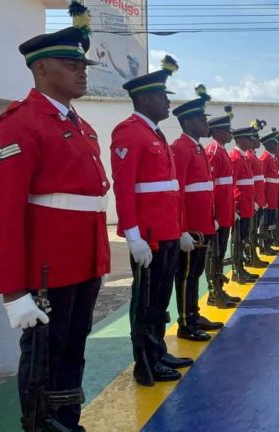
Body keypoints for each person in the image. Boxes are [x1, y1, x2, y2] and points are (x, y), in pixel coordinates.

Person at [0, 5, 109, 428]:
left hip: (84, 262)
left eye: (83, 65)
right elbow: (4, 213)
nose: (82, 72)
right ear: (41, 68)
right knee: (44, 354)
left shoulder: (81, 126)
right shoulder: (20, 124)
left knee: (73, 350)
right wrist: (12, 292)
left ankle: (66, 421)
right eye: (71, 64)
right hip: (47, 270)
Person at [112, 54, 194, 385]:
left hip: (168, 232)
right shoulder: (130, 133)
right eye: (162, 97)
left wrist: (181, 229)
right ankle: (144, 361)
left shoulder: (155, 134)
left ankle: (158, 350)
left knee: (159, 298)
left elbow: (171, 191)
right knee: (145, 301)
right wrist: (132, 235)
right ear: (144, 98)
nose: (167, 103)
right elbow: (124, 187)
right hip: (149, 235)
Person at [169, 84, 225, 342]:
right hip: (191, 226)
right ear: (189, 121)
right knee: (186, 274)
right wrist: (180, 228)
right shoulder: (180, 148)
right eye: (202, 119)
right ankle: (184, 321)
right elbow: (177, 190)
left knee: (197, 273)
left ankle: (194, 313)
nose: (206, 123)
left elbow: (205, 188)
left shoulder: (198, 148)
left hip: (203, 224)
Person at [205, 106, 243, 306]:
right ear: (218, 132)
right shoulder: (212, 151)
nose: (230, 134)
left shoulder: (222, 151)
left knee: (220, 253)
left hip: (226, 210)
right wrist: (214, 215)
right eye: (227, 130)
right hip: (218, 213)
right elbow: (210, 187)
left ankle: (219, 288)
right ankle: (214, 292)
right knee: (214, 252)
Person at [229, 126, 259, 283]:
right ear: (240, 140)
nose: (251, 141)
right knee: (238, 239)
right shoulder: (234, 157)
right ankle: (237, 270)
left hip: (247, 205)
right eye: (248, 138)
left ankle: (241, 268)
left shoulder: (244, 157)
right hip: (240, 206)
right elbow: (232, 184)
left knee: (244, 238)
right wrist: (234, 206)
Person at [245, 120, 269, 268]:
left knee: (253, 230)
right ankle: (251, 257)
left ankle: (253, 256)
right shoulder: (248, 156)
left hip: (257, 198)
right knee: (250, 231)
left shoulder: (252, 155)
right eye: (256, 138)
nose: (259, 141)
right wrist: (254, 200)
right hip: (251, 200)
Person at [259, 129, 279, 252]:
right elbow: (261, 180)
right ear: (269, 144)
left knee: (271, 220)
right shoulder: (265, 158)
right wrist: (264, 198)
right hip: (268, 196)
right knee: (265, 222)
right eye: (275, 143)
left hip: (273, 195)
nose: (277, 145)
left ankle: (269, 243)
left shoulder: (272, 158)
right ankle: (265, 245)